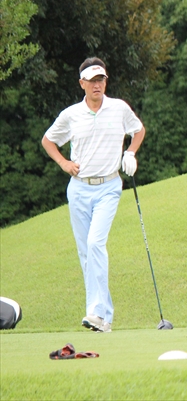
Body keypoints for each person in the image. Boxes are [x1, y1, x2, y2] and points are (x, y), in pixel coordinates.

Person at [41, 58, 145, 333]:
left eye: (101, 80)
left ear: (105, 82)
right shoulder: (71, 114)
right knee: (86, 252)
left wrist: (130, 152)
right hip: (79, 188)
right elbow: (48, 140)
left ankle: (95, 312)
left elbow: (138, 130)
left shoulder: (119, 108)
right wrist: (63, 163)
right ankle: (104, 318)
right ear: (82, 84)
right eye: (92, 80)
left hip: (108, 187)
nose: (97, 85)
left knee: (95, 243)